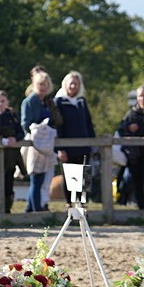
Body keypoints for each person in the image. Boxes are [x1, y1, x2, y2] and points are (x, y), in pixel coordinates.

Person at [20, 70, 63, 212]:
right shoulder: (30, 101)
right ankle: (35, 209)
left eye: (45, 84)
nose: (43, 87)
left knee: (40, 178)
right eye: (40, 84)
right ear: (34, 84)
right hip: (35, 144)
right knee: (36, 179)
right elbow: (26, 124)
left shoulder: (46, 101)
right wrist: (36, 136)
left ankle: (30, 208)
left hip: (45, 143)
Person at [53, 71, 95, 202]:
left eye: (76, 84)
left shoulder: (81, 102)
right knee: (69, 175)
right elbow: (57, 126)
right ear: (66, 85)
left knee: (84, 175)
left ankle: (82, 203)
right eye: (71, 83)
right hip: (67, 147)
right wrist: (60, 148)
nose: (73, 86)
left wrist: (92, 143)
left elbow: (88, 123)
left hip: (83, 146)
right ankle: (70, 203)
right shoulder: (59, 102)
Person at [118, 86, 144, 210]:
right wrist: (128, 128)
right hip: (135, 154)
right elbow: (121, 130)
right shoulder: (131, 113)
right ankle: (140, 208)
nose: (142, 98)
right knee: (136, 181)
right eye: (140, 95)